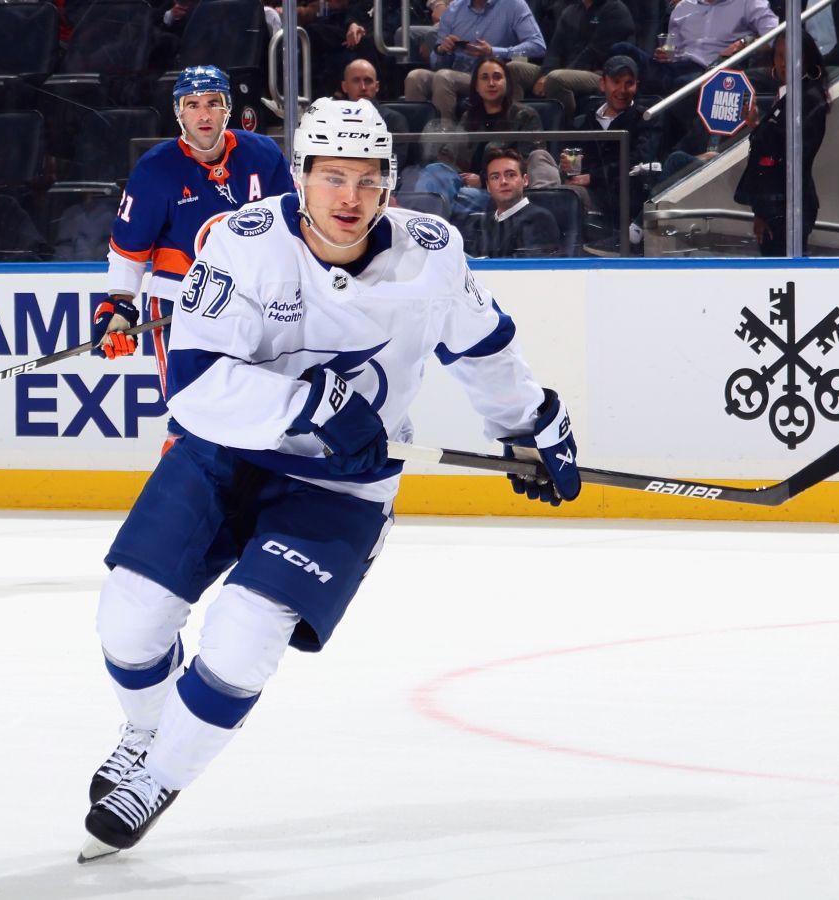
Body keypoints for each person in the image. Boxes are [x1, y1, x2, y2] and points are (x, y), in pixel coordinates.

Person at [78, 97, 581, 860]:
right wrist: (310, 404)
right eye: (333, 177)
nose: (350, 197)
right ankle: (149, 732)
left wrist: (531, 425)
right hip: (226, 455)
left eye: (368, 179)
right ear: (300, 177)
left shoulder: (431, 252)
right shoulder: (242, 241)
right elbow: (193, 383)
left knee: (243, 637)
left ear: (389, 183)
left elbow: (483, 348)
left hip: (341, 483)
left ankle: (160, 776)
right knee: (129, 620)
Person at [99, 65, 294, 438]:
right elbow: (128, 251)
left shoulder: (263, 155)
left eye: (212, 103)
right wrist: (120, 305)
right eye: (192, 105)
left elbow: (292, 231)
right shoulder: (155, 170)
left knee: (262, 413)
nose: (204, 115)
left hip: (257, 303)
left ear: (228, 107)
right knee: (191, 418)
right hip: (180, 304)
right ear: (179, 112)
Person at [417, 56, 556, 220]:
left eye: (497, 77)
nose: (491, 83)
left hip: (499, 192)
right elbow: (453, 156)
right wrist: (457, 175)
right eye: (484, 78)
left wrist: (483, 181)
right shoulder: (469, 116)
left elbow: (528, 164)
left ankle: (432, 220)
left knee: (449, 199)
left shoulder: (525, 115)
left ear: (507, 83)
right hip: (464, 187)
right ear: (476, 86)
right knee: (434, 171)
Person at [733, 30, 831, 256]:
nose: (784, 63)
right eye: (779, 56)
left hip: (789, 205)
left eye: (791, 56)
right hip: (773, 203)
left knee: (784, 266)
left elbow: (790, 151)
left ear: (806, 58)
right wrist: (756, 124)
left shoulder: (809, 98)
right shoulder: (790, 95)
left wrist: (760, 129)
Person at [403, 0, 546, 123]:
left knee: (444, 77)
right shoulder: (453, 9)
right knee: (415, 77)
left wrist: (494, 52)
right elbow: (436, 64)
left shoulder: (513, 5)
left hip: (490, 77)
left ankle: (445, 140)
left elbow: (538, 46)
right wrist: (442, 50)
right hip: (457, 73)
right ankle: (416, 140)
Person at [565, 55, 658, 240]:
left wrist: (593, 177)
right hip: (582, 187)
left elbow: (638, 161)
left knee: (568, 195)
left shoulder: (645, 119)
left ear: (636, 86)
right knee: (540, 158)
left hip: (617, 196)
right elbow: (573, 157)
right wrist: (567, 166)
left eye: (629, 83)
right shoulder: (585, 118)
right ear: (603, 84)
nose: (622, 90)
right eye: (616, 82)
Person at [504, 0, 635, 121]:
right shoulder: (570, 11)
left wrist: (551, 76)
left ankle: (566, 129)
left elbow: (594, 53)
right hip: (562, 71)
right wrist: (545, 73)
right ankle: (515, 124)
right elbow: (554, 50)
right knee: (513, 69)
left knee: (556, 78)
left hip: (599, 74)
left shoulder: (615, 10)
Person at [614, 0, 777, 95]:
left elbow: (776, 35)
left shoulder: (749, 3)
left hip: (712, 72)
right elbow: (673, 49)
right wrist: (665, 55)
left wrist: (745, 43)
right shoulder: (683, 7)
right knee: (622, 49)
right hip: (674, 69)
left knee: (683, 83)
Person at [477, 147, 561, 256]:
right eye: (495, 177)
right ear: (488, 186)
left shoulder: (540, 219)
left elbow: (527, 264)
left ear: (525, 180)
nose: (503, 182)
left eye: (510, 175)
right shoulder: (482, 222)